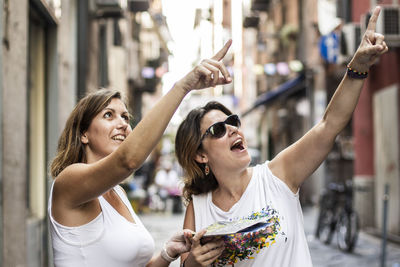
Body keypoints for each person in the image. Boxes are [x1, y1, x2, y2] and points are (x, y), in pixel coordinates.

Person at [175, 6, 388, 267]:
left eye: (232, 121)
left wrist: (357, 67)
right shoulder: (198, 208)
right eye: (218, 130)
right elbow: (187, 264)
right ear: (200, 154)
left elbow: (329, 125)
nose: (232, 129)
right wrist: (193, 263)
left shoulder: (278, 176)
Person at [48, 40, 233, 267]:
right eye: (109, 115)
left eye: (125, 118)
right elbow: (128, 160)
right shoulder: (69, 180)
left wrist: (167, 254)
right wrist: (182, 87)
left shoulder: (118, 193)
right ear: (83, 134)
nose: (123, 124)